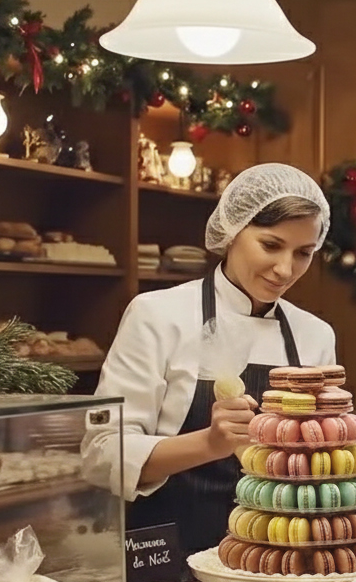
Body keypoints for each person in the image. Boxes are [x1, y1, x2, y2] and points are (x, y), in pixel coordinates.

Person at [82, 164, 336, 556]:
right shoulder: (157, 315)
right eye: (270, 245)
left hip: (277, 559)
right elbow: (101, 453)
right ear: (232, 232)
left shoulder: (314, 336)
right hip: (168, 556)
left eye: (303, 253)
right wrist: (210, 442)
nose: (285, 269)